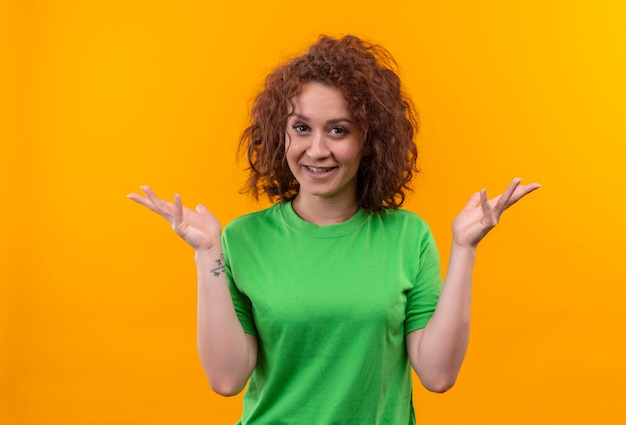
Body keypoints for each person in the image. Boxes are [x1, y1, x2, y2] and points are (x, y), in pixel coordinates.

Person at [127, 35, 540, 425]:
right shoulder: (240, 239)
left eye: (338, 130)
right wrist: (207, 254)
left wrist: (465, 248)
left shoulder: (408, 237)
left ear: (369, 141)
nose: (317, 149)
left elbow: (438, 375)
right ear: (280, 133)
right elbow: (227, 380)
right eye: (302, 128)